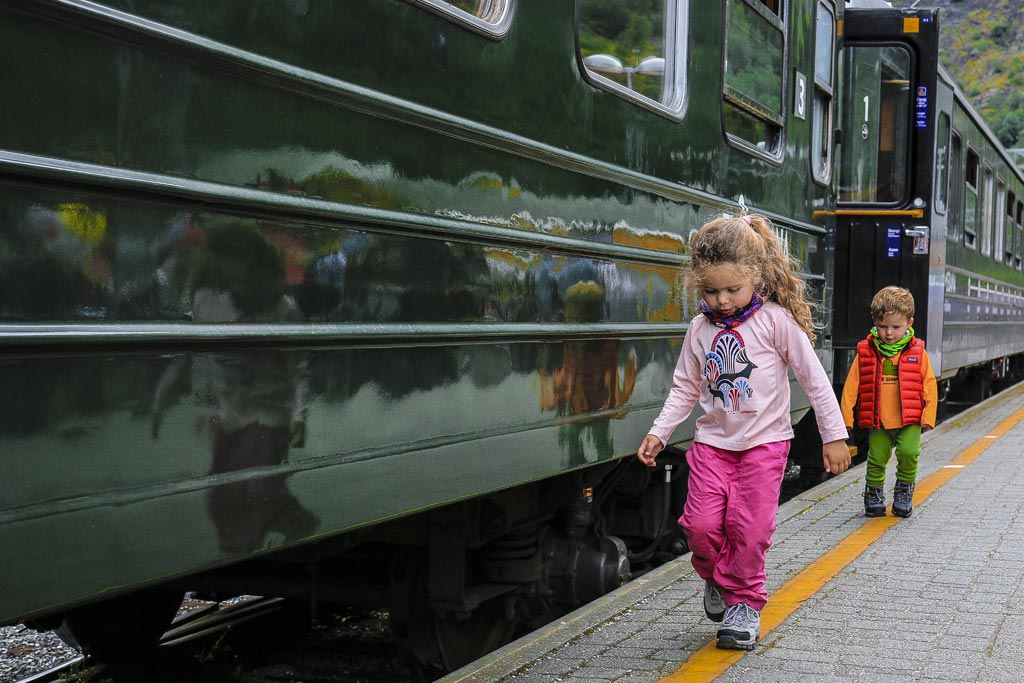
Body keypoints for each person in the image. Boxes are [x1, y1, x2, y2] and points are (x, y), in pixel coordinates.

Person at [636, 213, 850, 651]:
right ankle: (718, 579)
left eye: (732, 289)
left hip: (765, 446)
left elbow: (814, 380)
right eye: (711, 291)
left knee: (749, 532)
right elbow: (685, 386)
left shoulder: (775, 322)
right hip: (713, 444)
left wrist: (833, 435)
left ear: (756, 276)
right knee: (699, 527)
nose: (722, 300)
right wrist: (660, 431)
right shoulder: (699, 329)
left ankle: (743, 606)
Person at [840, 285, 937, 519]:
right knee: (877, 457)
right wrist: (845, 420)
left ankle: (903, 491)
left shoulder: (918, 352)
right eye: (882, 327)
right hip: (879, 419)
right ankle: (873, 495)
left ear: (909, 323)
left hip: (909, 419)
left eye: (896, 327)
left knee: (909, 452)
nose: (889, 333)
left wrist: (928, 417)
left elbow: (929, 384)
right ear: (874, 322)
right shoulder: (866, 351)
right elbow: (851, 386)